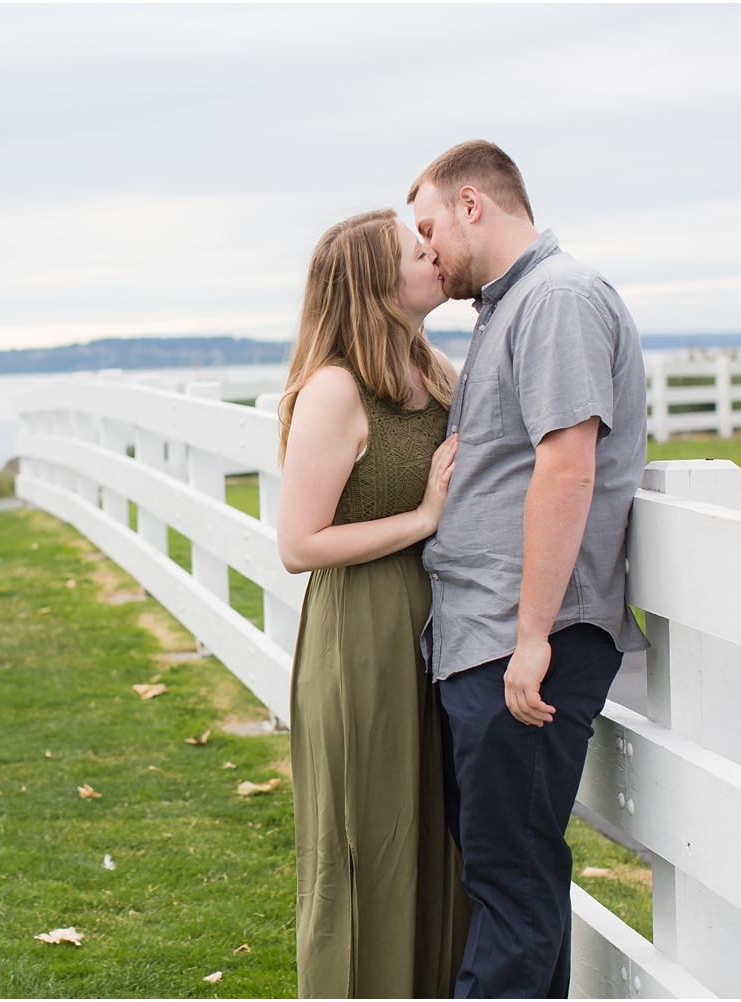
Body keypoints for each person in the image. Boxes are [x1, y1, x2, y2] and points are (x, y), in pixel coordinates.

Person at [407, 141, 649, 998]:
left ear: (474, 204)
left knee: (509, 883)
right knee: (512, 881)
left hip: (523, 642)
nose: (427, 249)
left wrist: (532, 636)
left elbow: (567, 467)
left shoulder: (558, 298)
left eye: (430, 226)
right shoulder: (509, 309)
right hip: (489, 635)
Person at [276, 207, 471, 998]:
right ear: (369, 282)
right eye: (412, 249)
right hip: (362, 637)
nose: (432, 253)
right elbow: (299, 545)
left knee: (436, 844)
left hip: (439, 632)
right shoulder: (334, 389)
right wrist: (423, 518)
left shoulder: (436, 369)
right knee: (368, 847)